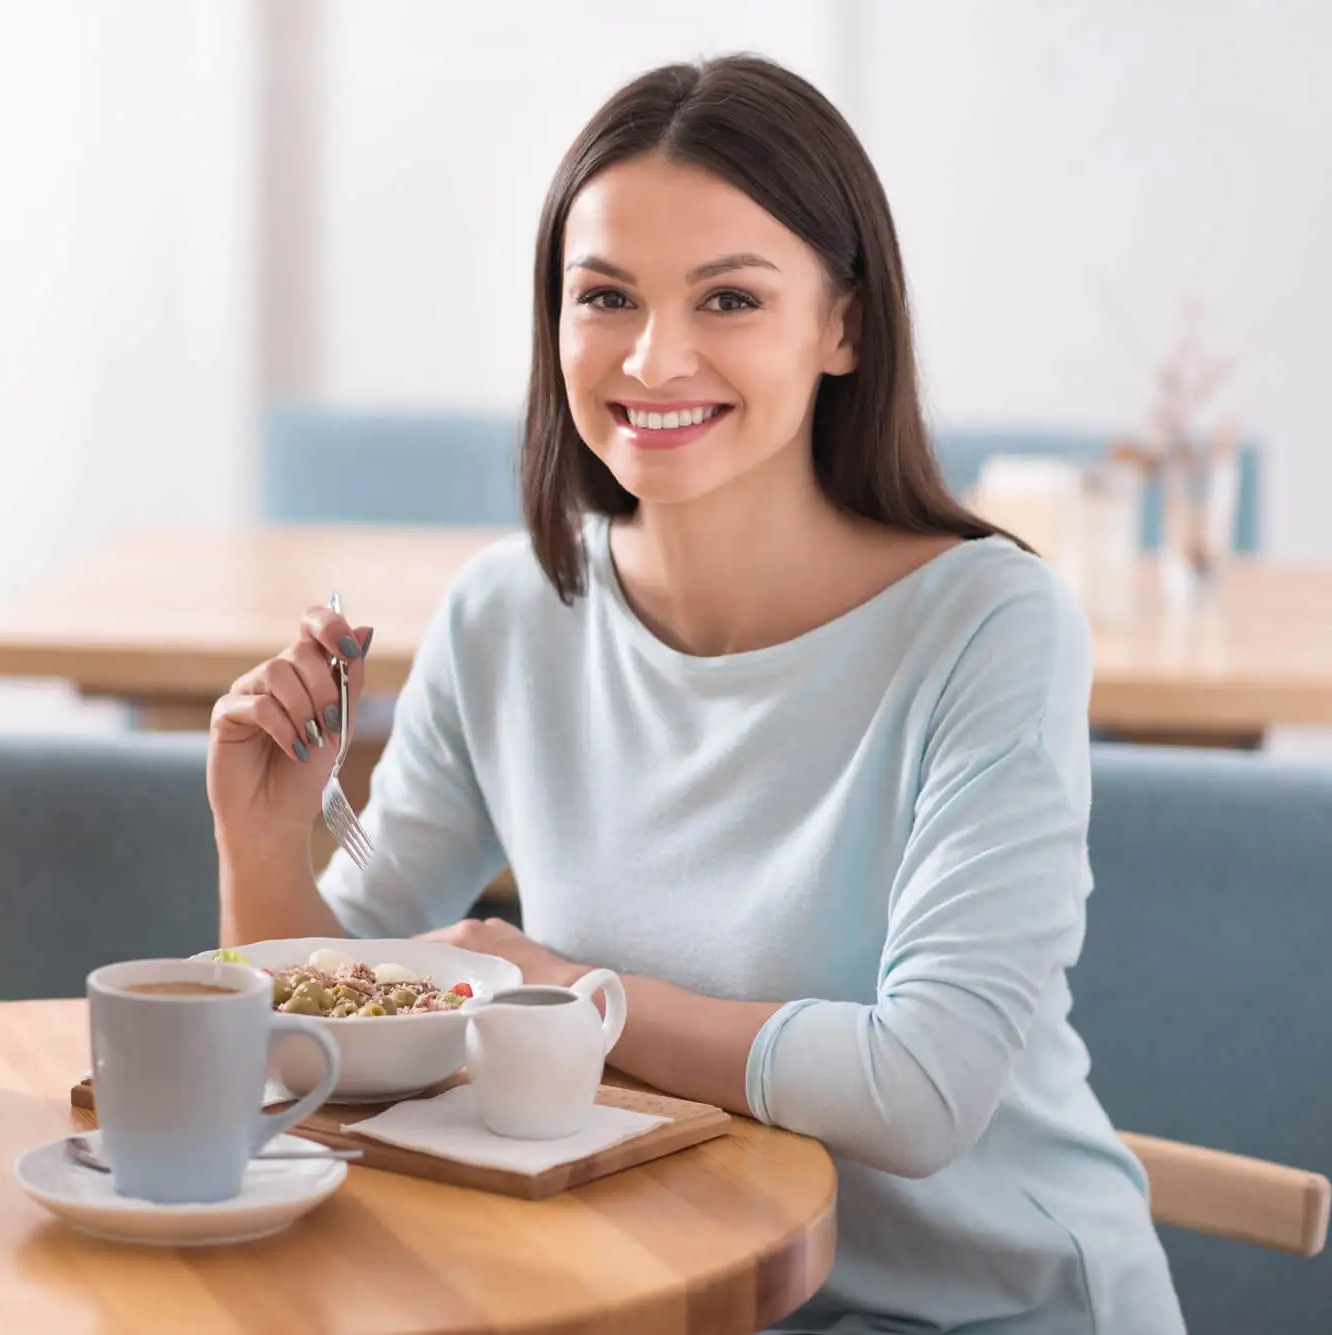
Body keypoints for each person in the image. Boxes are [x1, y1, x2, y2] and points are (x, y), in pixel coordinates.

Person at [206, 54, 1183, 1335]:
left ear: (843, 325)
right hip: (666, 1295)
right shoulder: (507, 617)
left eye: (727, 298)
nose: (653, 359)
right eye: (604, 296)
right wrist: (260, 843)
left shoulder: (989, 625)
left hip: (984, 1309)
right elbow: (310, 1057)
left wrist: (557, 990)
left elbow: (920, 1093)